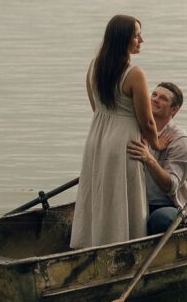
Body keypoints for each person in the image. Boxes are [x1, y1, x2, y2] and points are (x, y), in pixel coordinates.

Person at [70, 15, 170, 249]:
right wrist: (157, 144)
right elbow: (146, 120)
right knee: (122, 193)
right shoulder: (134, 74)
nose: (141, 40)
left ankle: (92, 241)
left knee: (99, 189)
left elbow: (96, 106)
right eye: (136, 35)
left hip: (97, 136)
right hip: (124, 141)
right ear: (123, 38)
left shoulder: (94, 66)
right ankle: (124, 244)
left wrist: (109, 126)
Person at [126, 82, 187, 235]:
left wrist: (149, 159)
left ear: (174, 110)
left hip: (171, 208)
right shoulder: (137, 131)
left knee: (160, 218)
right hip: (139, 202)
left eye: (163, 98)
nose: (155, 100)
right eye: (154, 95)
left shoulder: (181, 140)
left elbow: (170, 186)